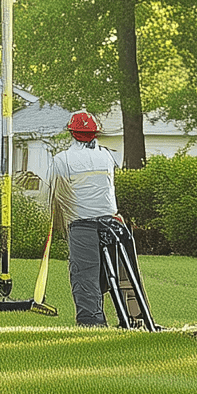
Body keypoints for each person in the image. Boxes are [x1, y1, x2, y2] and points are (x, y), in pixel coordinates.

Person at [47, 110, 121, 327]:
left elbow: (57, 195)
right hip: (110, 221)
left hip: (82, 223)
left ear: (71, 132)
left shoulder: (62, 160)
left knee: (84, 272)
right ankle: (128, 316)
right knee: (112, 271)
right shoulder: (107, 156)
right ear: (95, 132)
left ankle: (91, 320)